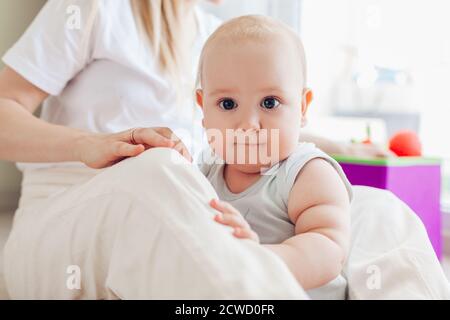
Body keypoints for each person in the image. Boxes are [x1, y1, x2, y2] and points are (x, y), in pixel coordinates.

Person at [0, 0, 405, 300]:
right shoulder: (93, 8)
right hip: (75, 220)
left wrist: (337, 147)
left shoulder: (219, 35)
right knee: (161, 168)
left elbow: (262, 125)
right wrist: (89, 145)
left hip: (183, 202)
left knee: (376, 208)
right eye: (225, 104)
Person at [196, 15, 352, 299]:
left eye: (270, 103)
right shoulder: (205, 170)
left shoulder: (305, 173)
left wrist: (260, 260)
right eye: (227, 104)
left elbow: (329, 248)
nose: (249, 124)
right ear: (203, 110)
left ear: (302, 107)